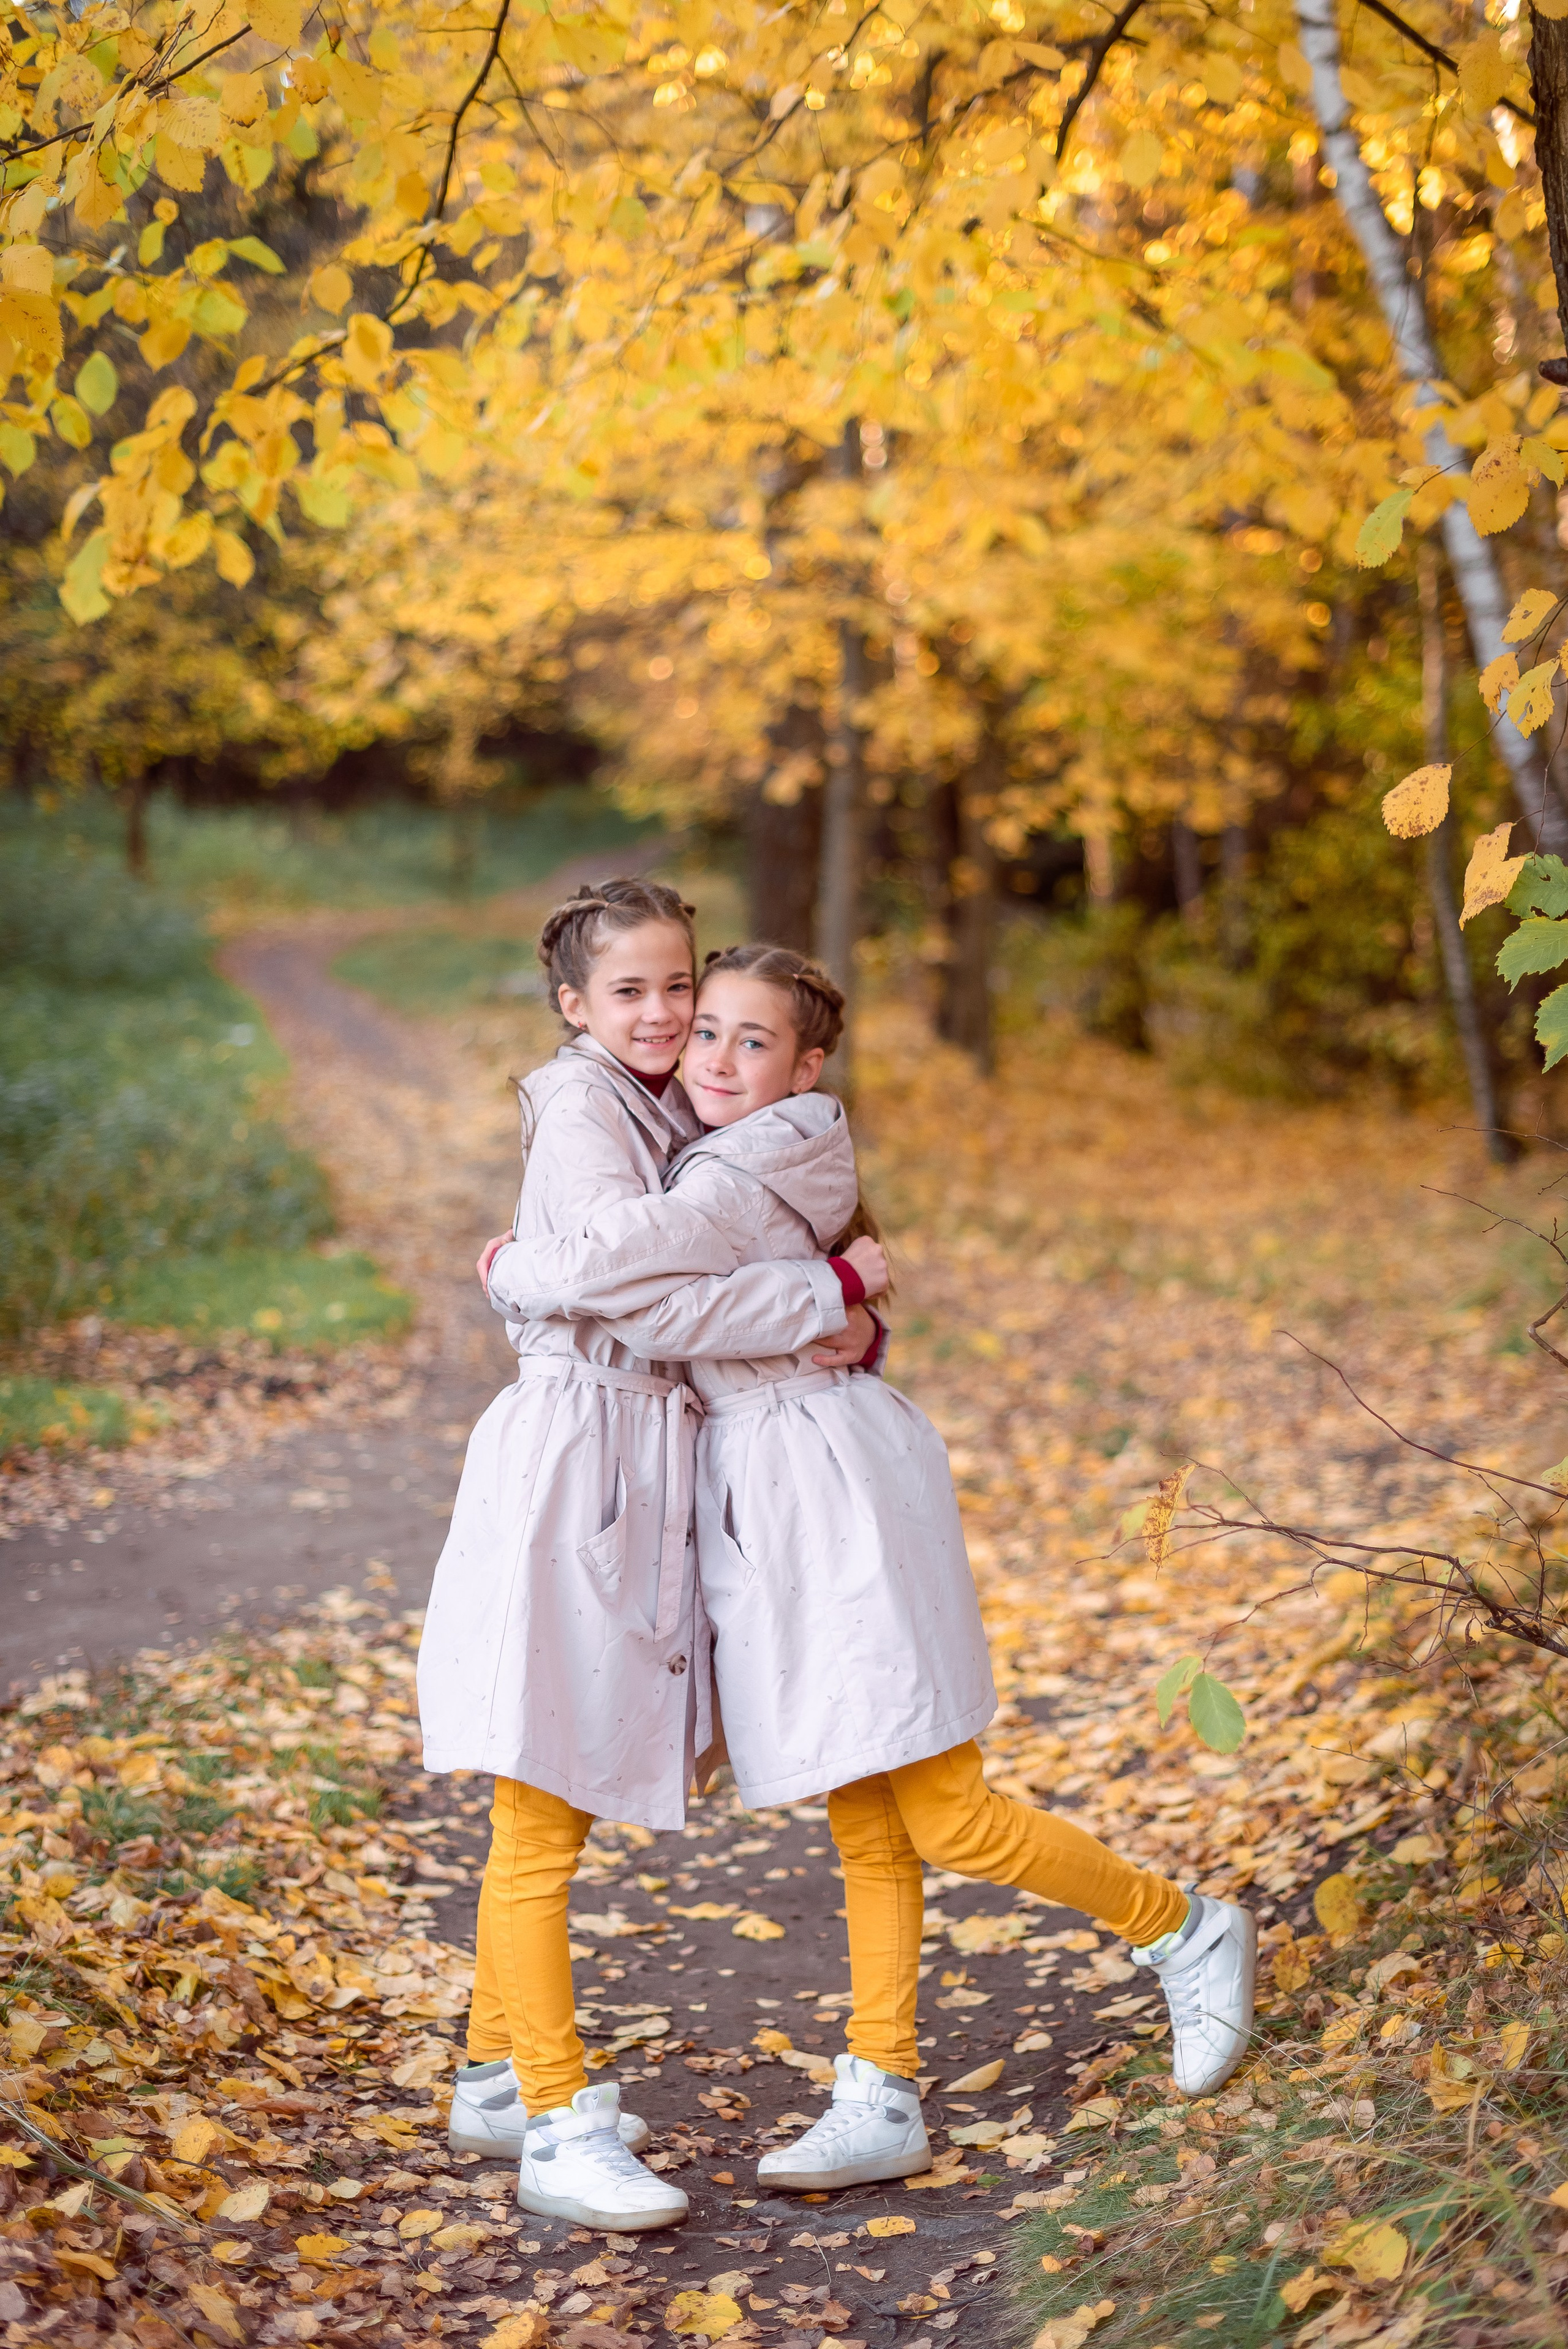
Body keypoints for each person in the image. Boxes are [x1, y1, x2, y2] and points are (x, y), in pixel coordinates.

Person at [485, 943, 1258, 2191]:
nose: (720, 1056)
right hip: (776, 1477)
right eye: (708, 1033)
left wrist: (511, 1269)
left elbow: (640, 1309)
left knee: (940, 1807)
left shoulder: (746, 1162)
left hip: (827, 1478)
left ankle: (1182, 1928)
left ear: (807, 1065)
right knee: (865, 1803)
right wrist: (830, 1292)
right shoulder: (713, 1145)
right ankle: (881, 2086)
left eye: (753, 1039)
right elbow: (696, 1306)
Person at [419, 884, 876, 2230]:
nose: (665, 1013)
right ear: (573, 1006)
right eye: (629, 992)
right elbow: (628, 1271)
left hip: (634, 1444)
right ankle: (558, 2120)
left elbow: (684, 1271)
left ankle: (497, 2073)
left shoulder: (677, 1101)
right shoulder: (578, 1103)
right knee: (542, 1785)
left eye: (677, 984)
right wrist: (826, 1294)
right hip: (576, 1449)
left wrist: (837, 1304)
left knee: (554, 1767)